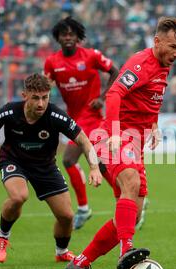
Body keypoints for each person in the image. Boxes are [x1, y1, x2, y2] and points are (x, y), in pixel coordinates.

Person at [64, 17, 176, 269]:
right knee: (130, 184)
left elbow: (147, 98)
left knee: (132, 212)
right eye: (172, 47)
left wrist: (153, 125)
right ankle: (126, 251)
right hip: (116, 137)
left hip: (136, 141)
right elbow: (114, 94)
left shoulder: (164, 63)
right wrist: (115, 132)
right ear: (156, 42)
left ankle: (80, 264)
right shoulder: (141, 62)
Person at [0, 73, 102, 263]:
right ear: (24, 96)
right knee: (19, 196)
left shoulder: (55, 115)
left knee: (66, 216)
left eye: (45, 98)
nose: (41, 104)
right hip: (14, 161)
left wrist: (94, 167)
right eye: (35, 98)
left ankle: (61, 252)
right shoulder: (11, 112)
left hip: (45, 166)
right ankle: (3, 236)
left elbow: (84, 140)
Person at [44, 16, 120, 230]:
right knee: (103, 165)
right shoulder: (52, 62)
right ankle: (127, 197)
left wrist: (103, 98)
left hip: (92, 117)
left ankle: (87, 208)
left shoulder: (91, 56)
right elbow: (46, 88)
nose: (68, 37)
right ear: (58, 38)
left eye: (71, 34)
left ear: (78, 37)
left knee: (69, 159)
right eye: (63, 34)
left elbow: (116, 71)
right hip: (73, 117)